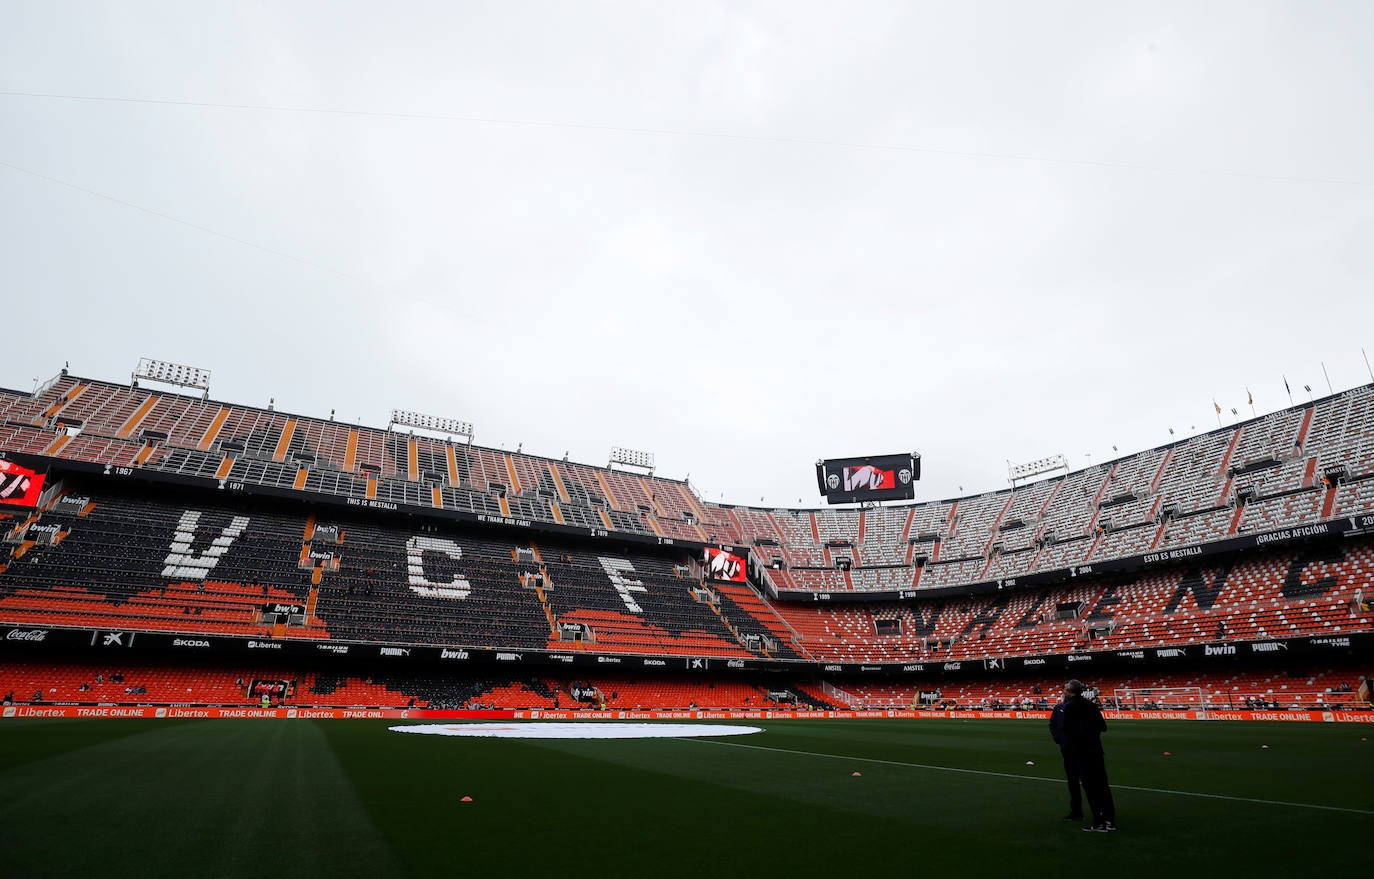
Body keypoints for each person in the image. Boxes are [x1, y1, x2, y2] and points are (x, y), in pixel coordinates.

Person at [1061, 679, 1117, 832]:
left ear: (1070, 691)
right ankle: (1110, 821)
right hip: (1096, 750)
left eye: (1065, 689)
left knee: (1090, 787)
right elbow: (1103, 727)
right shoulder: (1091, 704)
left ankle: (1099, 822)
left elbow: (1067, 731)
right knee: (1103, 786)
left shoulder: (1070, 707)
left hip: (1081, 752)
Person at [1049, 691, 1083, 821]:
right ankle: (1076, 811)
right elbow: (1052, 725)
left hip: (1083, 749)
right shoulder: (1059, 707)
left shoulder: (1084, 706)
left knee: (1088, 782)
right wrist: (1060, 739)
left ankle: (1100, 813)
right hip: (1067, 749)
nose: (1065, 694)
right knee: (1072, 782)